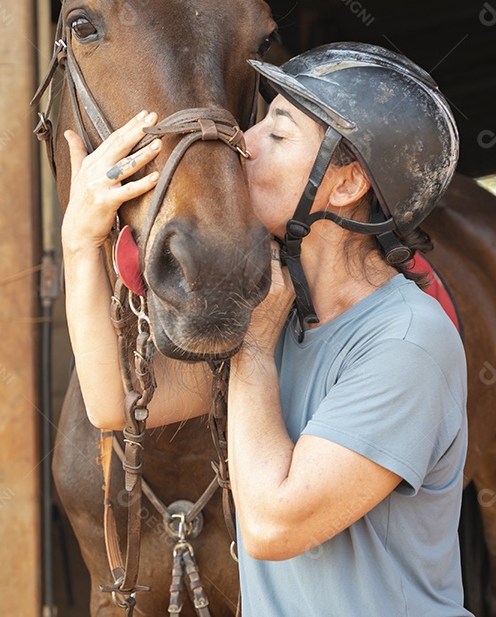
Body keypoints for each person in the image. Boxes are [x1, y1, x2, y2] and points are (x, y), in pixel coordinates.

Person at [61, 42, 470, 616]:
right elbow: (115, 406)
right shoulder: (285, 311)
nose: (243, 145)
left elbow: (274, 526)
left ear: (347, 184)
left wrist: (251, 349)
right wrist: (80, 241)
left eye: (277, 135)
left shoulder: (406, 343)